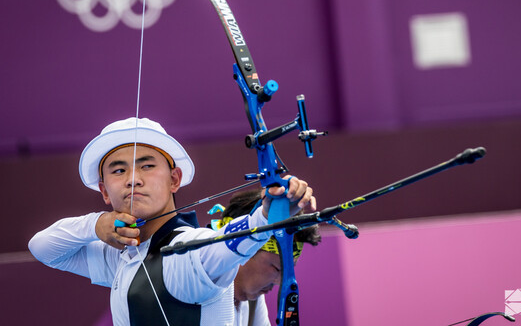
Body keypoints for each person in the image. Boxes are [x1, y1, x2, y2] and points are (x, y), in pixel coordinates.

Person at [28, 117, 317, 326]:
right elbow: (42, 247)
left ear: (174, 179)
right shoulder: (123, 256)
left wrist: (268, 213)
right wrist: (96, 224)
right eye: (118, 170)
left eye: (148, 165)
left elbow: (226, 243)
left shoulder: (187, 250)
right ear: (104, 190)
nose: (132, 179)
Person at [209, 190, 321, 326]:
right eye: (277, 268)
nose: (280, 282)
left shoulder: (253, 298)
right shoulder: (201, 278)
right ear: (246, 248)